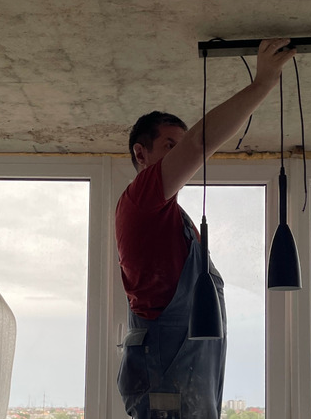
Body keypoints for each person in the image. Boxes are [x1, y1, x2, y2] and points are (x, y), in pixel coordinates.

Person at [115, 39, 296, 419]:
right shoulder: (141, 202)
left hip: (191, 400)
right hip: (167, 403)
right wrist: (262, 83)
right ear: (140, 153)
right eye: (170, 146)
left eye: (179, 147)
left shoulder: (176, 221)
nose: (183, 156)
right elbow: (200, 143)